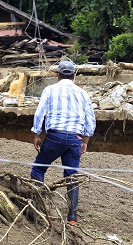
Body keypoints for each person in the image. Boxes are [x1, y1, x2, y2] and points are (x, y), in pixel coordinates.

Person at [30, 60, 96, 226]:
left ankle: (38, 209)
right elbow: (90, 118)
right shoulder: (83, 93)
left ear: (58, 76)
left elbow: (40, 114)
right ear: (74, 76)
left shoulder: (50, 90)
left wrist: (37, 133)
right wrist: (85, 140)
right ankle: (72, 218)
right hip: (75, 138)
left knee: (38, 168)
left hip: (54, 136)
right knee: (72, 176)